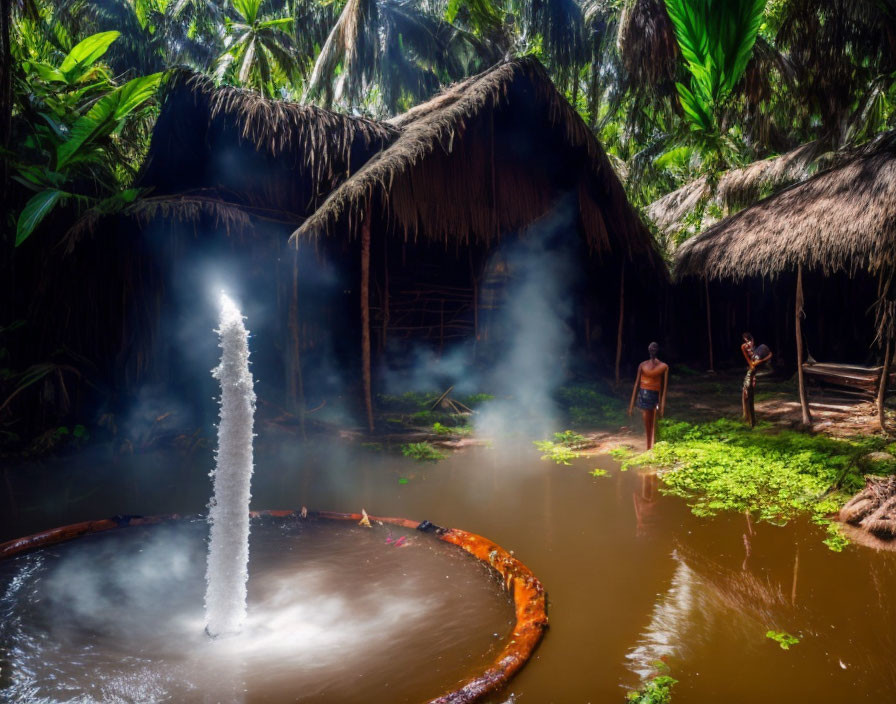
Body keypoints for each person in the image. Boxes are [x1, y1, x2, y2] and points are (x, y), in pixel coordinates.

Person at [628, 342, 669, 450]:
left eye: (655, 347)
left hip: (655, 396)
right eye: (651, 347)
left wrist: (662, 406)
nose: (653, 349)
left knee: (654, 421)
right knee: (647, 421)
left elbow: (664, 388)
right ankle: (648, 447)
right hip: (643, 395)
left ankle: (653, 446)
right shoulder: (642, 365)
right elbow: (636, 384)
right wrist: (631, 405)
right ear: (648, 349)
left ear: (657, 350)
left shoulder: (663, 366)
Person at [740, 332, 772, 428]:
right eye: (746, 342)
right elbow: (750, 361)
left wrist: (760, 361)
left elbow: (770, 354)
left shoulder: (759, 350)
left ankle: (751, 421)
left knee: (750, 396)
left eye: (749, 341)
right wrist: (752, 365)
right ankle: (748, 417)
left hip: (756, 368)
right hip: (751, 371)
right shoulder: (744, 347)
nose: (748, 344)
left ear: (752, 340)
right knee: (746, 393)